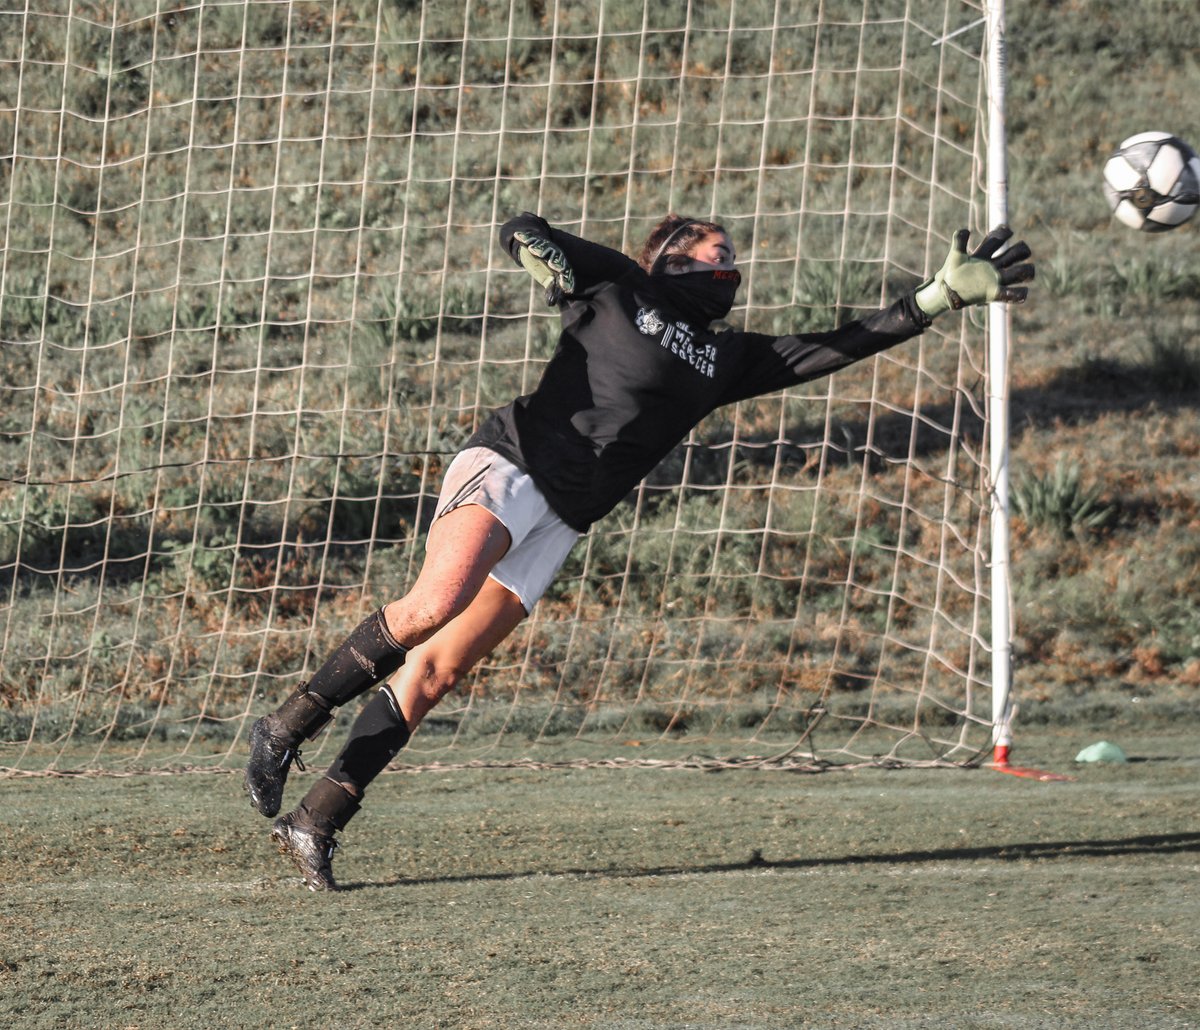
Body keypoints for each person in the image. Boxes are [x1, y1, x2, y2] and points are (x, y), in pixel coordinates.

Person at [245, 211, 1033, 890]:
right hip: (511, 463)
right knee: (432, 606)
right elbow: (530, 232)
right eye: (714, 253)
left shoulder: (726, 360)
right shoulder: (620, 285)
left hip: (564, 519)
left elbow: (836, 345)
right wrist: (535, 250)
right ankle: (286, 726)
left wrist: (933, 300)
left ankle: (315, 822)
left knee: (438, 673)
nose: (730, 267)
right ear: (671, 255)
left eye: (732, 258)